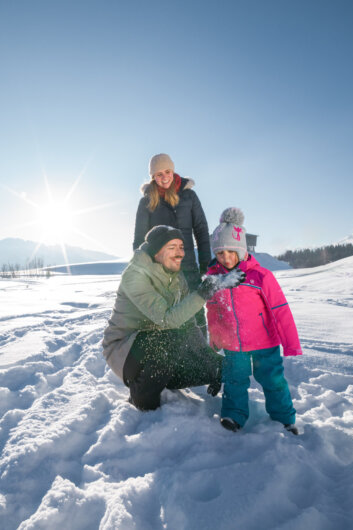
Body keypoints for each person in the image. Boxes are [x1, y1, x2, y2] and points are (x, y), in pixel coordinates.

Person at [103, 225, 244, 411]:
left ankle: (165, 378)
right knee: (169, 338)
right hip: (125, 350)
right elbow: (166, 320)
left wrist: (212, 365)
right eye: (172, 247)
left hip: (160, 347)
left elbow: (188, 324)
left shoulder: (177, 278)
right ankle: (143, 397)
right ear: (156, 252)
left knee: (220, 365)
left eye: (181, 247)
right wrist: (202, 294)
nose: (179, 253)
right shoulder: (134, 276)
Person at [204, 207, 302, 434]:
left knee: (273, 380)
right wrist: (215, 338)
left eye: (231, 251)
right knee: (234, 380)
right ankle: (233, 415)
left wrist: (290, 343)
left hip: (265, 343)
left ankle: (284, 418)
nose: (226, 258)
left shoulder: (261, 276)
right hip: (232, 344)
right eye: (220, 253)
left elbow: (280, 310)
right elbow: (213, 309)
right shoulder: (214, 278)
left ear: (241, 249)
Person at [133, 154, 211, 333]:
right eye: (158, 174)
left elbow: (201, 229)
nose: (164, 177)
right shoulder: (146, 201)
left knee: (196, 310)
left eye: (167, 171)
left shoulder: (189, 196)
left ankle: (202, 355)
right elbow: (139, 238)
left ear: (173, 171)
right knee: (168, 317)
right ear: (153, 177)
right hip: (162, 270)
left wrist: (206, 261)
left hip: (188, 264)